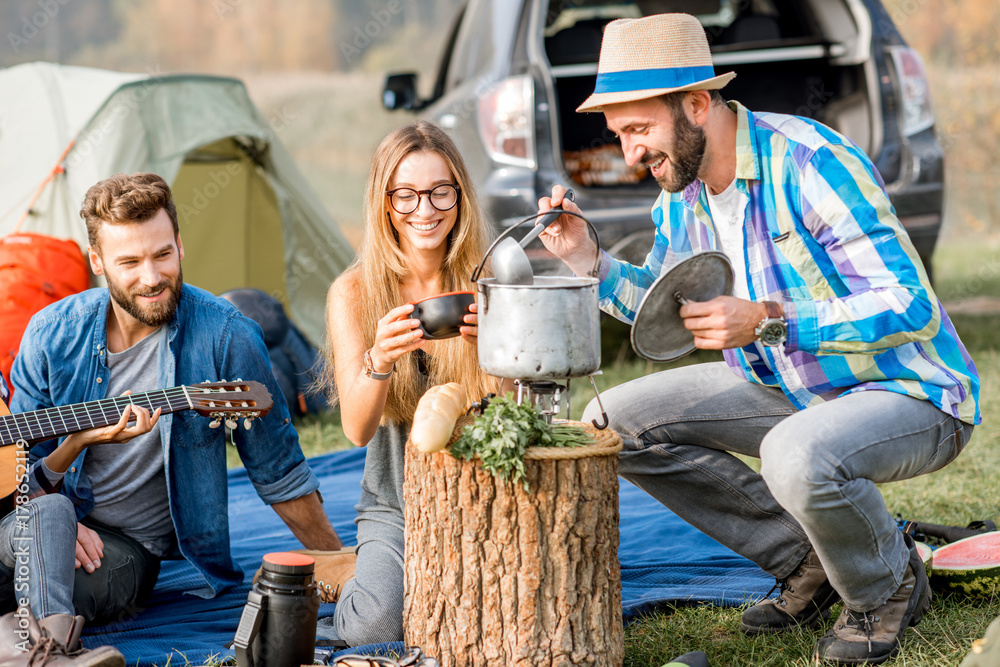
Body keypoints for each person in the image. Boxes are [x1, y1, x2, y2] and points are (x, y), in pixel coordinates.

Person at [536, 14, 980, 666]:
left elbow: (909, 305)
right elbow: (665, 303)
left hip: (910, 393)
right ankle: (806, 557)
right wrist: (588, 261)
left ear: (695, 104)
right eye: (620, 134)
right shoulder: (682, 194)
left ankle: (887, 584)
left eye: (638, 130)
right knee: (608, 421)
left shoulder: (810, 162)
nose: (629, 153)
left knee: (793, 452)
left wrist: (769, 319)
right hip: (791, 388)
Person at [6, 172, 343, 631]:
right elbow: (20, 473)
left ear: (180, 245)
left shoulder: (226, 336)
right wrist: (54, 522)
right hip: (34, 522)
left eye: (162, 254)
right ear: (98, 261)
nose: (152, 278)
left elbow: (278, 469)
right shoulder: (50, 334)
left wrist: (340, 564)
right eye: (130, 262)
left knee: (50, 597)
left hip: (122, 548)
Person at [323, 120, 507, 646]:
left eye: (439, 192)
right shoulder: (355, 291)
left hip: (484, 490)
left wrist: (488, 350)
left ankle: (363, 570)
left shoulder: (490, 280)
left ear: (460, 197)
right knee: (374, 628)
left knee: (486, 618)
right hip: (394, 500)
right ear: (385, 203)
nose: (424, 210)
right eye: (406, 194)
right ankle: (342, 571)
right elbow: (356, 431)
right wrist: (379, 357)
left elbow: (524, 411)